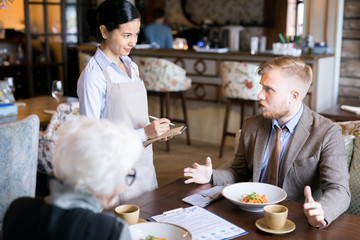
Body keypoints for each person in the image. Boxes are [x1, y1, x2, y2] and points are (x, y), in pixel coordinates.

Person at [184, 56, 350, 228]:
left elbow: (339, 190)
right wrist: (211, 175)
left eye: (269, 89)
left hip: (293, 221)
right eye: (261, 87)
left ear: (293, 96)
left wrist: (322, 210)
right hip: (247, 215)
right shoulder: (252, 125)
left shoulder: (327, 132)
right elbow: (239, 173)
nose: (259, 95)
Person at [77, 0, 171, 203]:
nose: (133, 42)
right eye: (126, 35)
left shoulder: (131, 66)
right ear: (104, 31)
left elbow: (130, 114)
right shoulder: (93, 77)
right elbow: (91, 139)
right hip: (116, 171)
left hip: (144, 161)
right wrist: (145, 133)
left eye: (136, 34)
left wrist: (155, 131)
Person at [2, 117, 142, 239]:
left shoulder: (18, 210)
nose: (124, 185)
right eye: (126, 176)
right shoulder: (111, 231)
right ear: (106, 180)